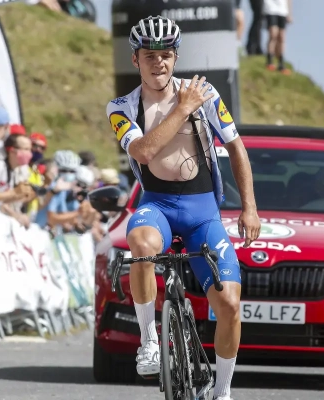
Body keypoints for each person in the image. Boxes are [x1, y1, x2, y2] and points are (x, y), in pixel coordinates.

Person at [106, 16, 261, 400]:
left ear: (175, 58)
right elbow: (143, 151)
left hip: (202, 211)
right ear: (135, 60)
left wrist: (250, 208)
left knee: (229, 304)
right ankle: (149, 342)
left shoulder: (204, 94)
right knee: (141, 244)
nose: (158, 63)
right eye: (149, 56)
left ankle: (222, 392)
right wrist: (182, 108)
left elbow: (236, 147)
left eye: (165, 55)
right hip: (157, 205)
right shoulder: (121, 107)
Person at [0, 134, 35, 228]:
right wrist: (14, 192)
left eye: (30, 149)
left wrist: (20, 197)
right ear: (12, 150)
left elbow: (1, 202)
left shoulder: (12, 171)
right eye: (26, 149)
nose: (29, 154)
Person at [263, 0, 293, 73]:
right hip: (270, 9)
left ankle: (281, 64)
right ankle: (269, 61)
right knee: (273, 34)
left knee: (281, 37)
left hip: (283, 10)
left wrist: (289, 13)